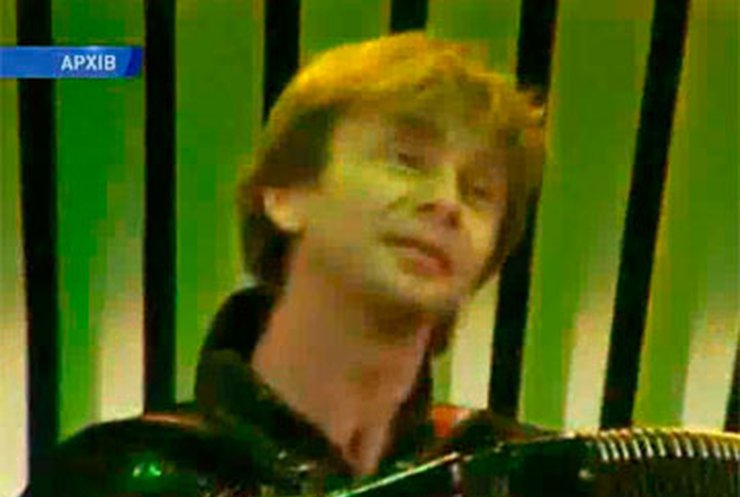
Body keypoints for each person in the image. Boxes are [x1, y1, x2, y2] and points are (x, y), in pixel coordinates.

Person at [23, 32, 546, 496]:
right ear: (285, 194)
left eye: (479, 192)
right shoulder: (107, 477)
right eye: (407, 161)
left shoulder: (525, 477)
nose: (447, 202)